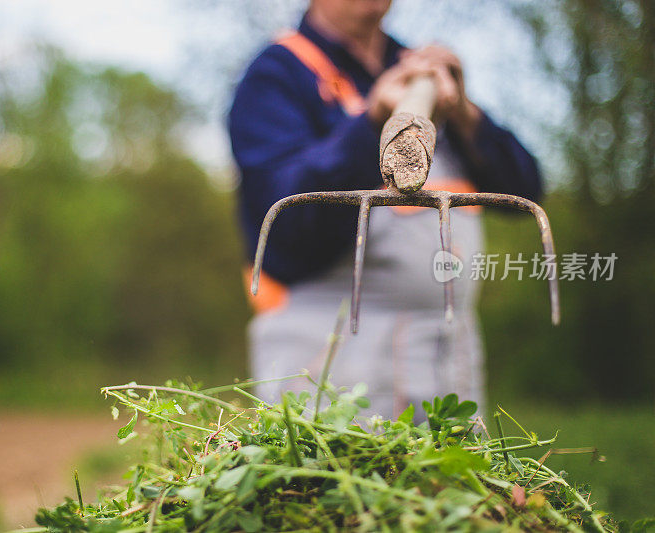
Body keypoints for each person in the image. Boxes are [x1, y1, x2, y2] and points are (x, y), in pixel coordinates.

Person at [227, 0, 541, 420]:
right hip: (330, 359)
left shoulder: (422, 74)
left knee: (448, 482)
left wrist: (466, 116)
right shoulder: (277, 76)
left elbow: (526, 189)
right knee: (331, 482)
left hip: (446, 354)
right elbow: (286, 226)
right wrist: (371, 123)